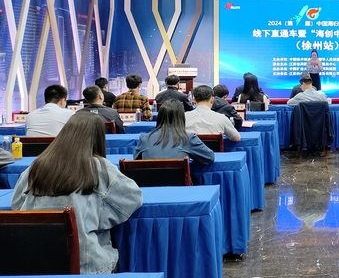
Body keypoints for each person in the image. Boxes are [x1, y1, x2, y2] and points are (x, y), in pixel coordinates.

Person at [12, 112, 142, 274]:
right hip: (88, 266)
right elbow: (133, 198)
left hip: (35, 263)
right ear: (98, 139)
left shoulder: (36, 166)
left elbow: (17, 205)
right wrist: (96, 217)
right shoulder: (100, 167)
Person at [134, 100, 215, 166]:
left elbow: (135, 161)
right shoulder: (188, 138)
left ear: (160, 117)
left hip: (148, 181)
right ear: (181, 118)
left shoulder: (144, 139)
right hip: (180, 181)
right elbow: (210, 157)